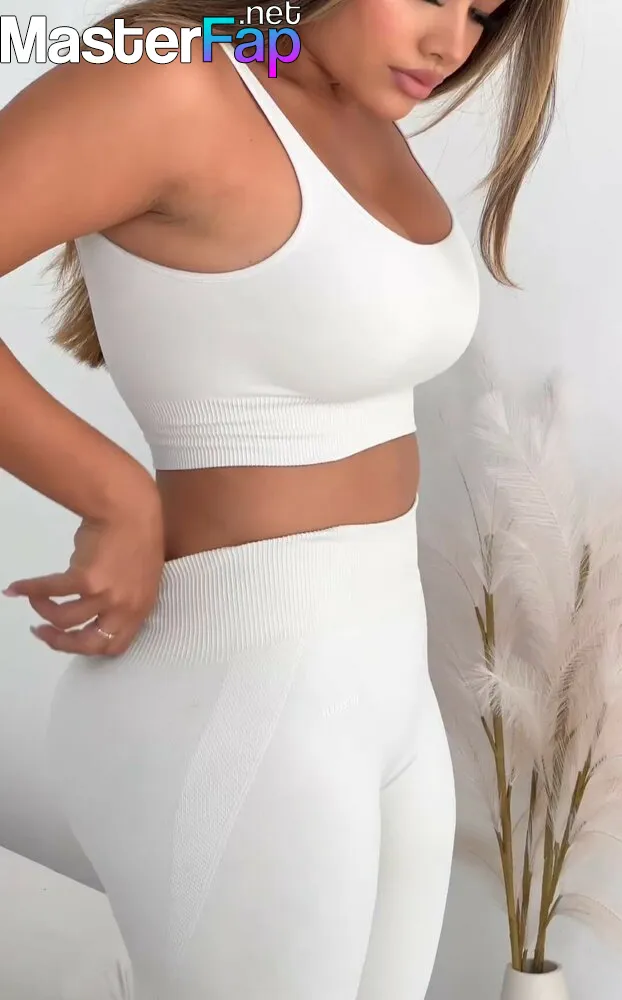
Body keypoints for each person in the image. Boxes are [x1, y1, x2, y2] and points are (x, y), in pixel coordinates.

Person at [0, 0, 568, 997]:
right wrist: (112, 493)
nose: (453, 44)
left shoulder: (354, 105)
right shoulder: (174, 75)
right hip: (235, 693)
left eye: (483, 14)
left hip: (386, 688)